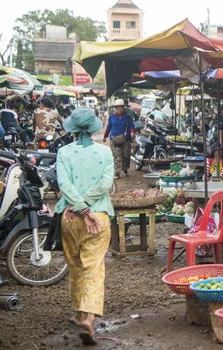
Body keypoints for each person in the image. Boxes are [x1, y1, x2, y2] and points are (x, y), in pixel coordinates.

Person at [55, 106, 114, 345]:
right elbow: (105, 184)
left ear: (71, 128)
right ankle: (88, 316)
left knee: (75, 264)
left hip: (69, 216)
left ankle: (80, 313)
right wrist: (87, 209)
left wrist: (78, 207)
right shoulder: (104, 152)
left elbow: (64, 184)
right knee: (93, 265)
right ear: (93, 129)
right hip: (97, 216)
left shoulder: (63, 152)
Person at [103, 99, 135, 179]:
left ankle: (125, 169)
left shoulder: (127, 117)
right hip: (114, 139)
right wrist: (105, 136)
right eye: (118, 107)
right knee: (117, 156)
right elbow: (109, 127)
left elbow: (131, 126)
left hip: (125, 139)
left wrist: (132, 133)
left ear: (123, 108)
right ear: (115, 108)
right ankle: (117, 173)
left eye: (121, 107)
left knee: (126, 155)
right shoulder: (112, 117)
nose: (119, 109)